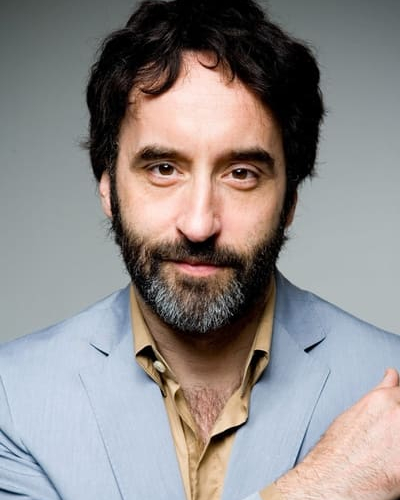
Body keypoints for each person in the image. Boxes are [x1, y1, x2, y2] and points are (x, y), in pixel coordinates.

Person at [1, 1, 400, 499]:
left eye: (241, 174)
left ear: (290, 201)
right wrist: (321, 489)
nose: (198, 224)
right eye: (164, 169)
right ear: (107, 186)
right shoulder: (11, 398)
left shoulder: (390, 381)